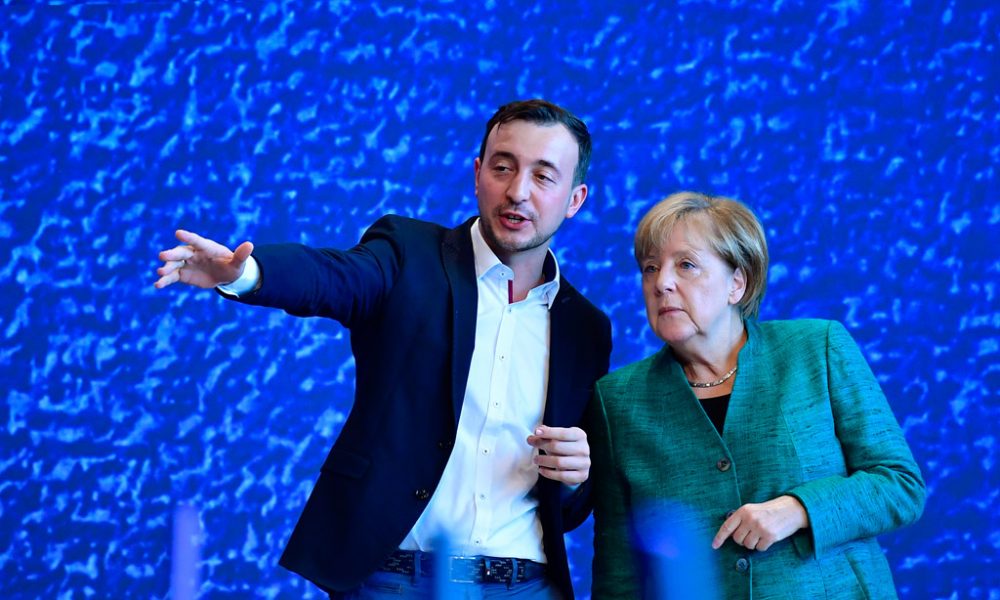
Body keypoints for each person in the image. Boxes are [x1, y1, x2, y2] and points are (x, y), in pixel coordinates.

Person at [154, 99, 612, 599]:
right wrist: (246, 273)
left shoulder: (585, 329)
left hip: (525, 586)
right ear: (478, 173)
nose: (518, 191)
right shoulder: (407, 254)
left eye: (544, 177)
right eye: (503, 167)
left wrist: (575, 476)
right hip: (391, 581)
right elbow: (332, 278)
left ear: (574, 199)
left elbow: (567, 510)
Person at [587, 191, 925, 599]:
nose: (662, 283)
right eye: (650, 268)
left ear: (737, 283)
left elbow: (900, 485)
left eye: (687, 265)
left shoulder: (817, 348)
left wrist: (798, 510)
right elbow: (619, 569)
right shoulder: (617, 400)